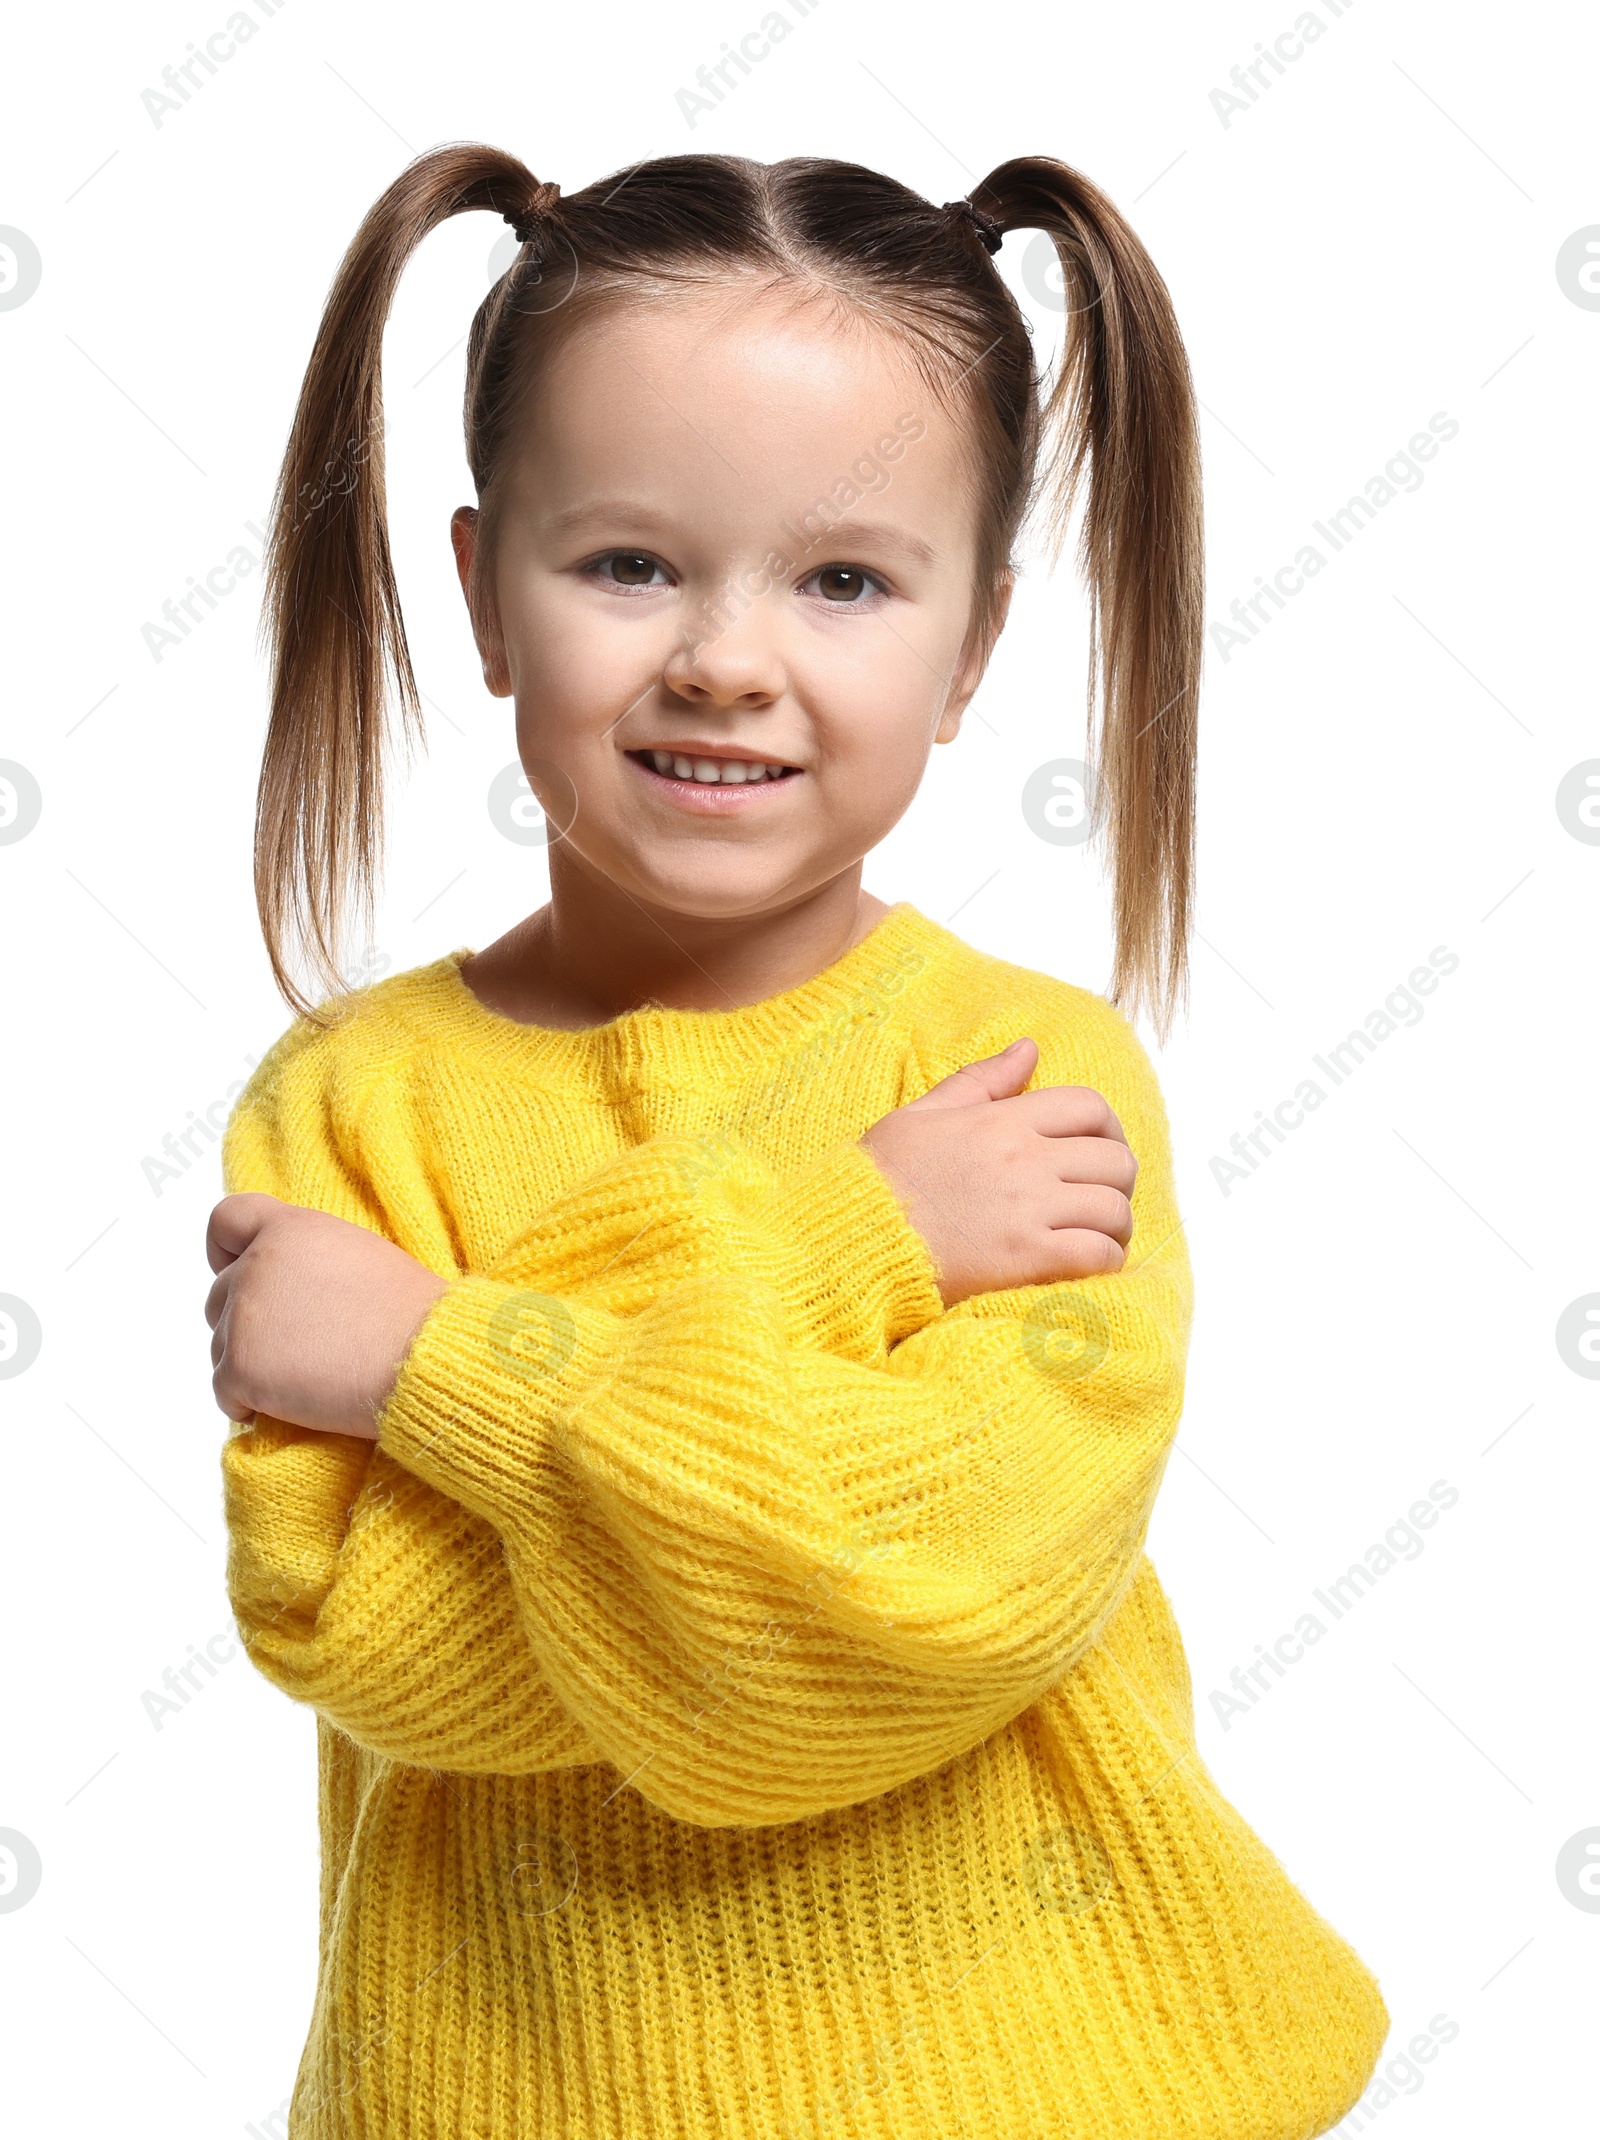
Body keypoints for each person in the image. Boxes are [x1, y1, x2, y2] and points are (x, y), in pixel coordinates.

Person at [204, 143, 1388, 2140]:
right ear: (486, 592)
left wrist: (433, 1360)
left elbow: (902, 1610)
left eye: (840, 578)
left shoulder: (1022, 1079)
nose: (723, 657)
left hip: (1035, 2091)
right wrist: (845, 1264)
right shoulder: (347, 1103)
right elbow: (364, 1631)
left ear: (972, 642)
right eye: (628, 562)